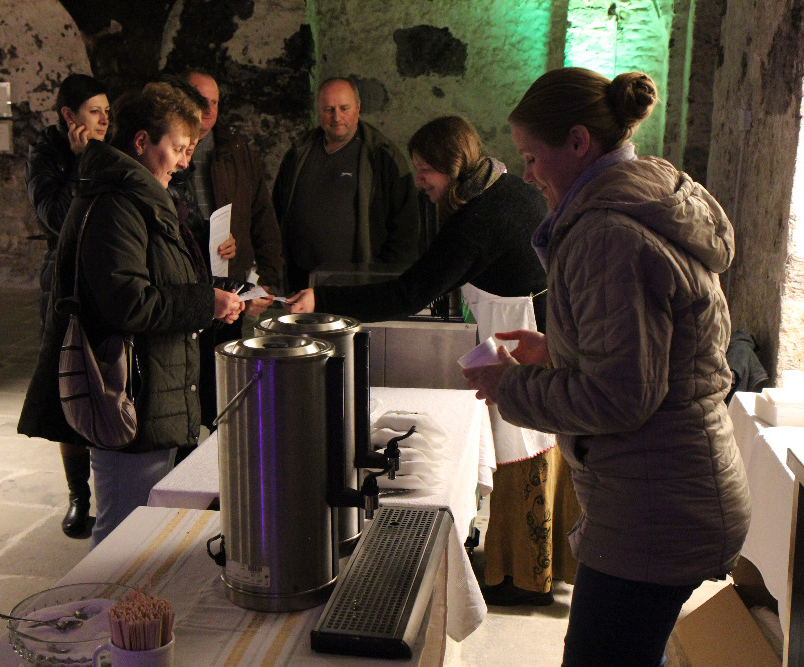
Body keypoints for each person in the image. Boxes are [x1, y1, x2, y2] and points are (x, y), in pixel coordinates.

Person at [464, 68, 751, 666]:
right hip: (670, 489)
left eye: (532, 158)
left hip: (655, 509)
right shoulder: (644, 196)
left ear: (578, 141)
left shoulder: (605, 235)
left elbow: (619, 397)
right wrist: (560, 349)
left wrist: (512, 387)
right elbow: (656, 353)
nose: (527, 175)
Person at [286, 115, 577, 606]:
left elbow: (409, 292)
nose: (419, 180)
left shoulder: (477, 219)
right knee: (539, 442)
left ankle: (520, 576)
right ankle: (543, 563)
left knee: (519, 448)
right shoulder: (503, 184)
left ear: (453, 164)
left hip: (517, 330)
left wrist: (322, 300)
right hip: (537, 324)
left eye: (425, 169)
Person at [18, 82, 244, 548]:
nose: (184, 162)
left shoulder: (143, 197)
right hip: (127, 395)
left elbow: (165, 278)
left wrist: (217, 296)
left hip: (154, 391)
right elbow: (128, 302)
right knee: (121, 536)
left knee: (145, 533)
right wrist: (206, 303)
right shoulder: (115, 204)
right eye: (177, 149)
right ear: (142, 141)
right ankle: (106, 599)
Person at [167, 70, 282, 426]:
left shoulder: (234, 150)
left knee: (222, 379)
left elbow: (261, 215)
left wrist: (266, 276)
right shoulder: (168, 152)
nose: (208, 110)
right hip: (184, 285)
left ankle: (219, 437)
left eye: (215, 102)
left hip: (226, 280)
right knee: (187, 379)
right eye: (200, 101)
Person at [24, 73, 109, 538]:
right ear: (68, 116)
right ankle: (79, 496)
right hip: (63, 281)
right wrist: (80, 162)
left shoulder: (110, 149)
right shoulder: (47, 154)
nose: (103, 120)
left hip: (104, 276)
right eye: (94, 112)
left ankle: (111, 481)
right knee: (68, 386)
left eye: (107, 112)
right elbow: (56, 217)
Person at [272, 77, 421, 292]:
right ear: (319, 110)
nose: (336, 117)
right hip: (301, 283)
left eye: (344, 108)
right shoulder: (299, 153)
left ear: (358, 108)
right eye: (328, 109)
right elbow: (276, 212)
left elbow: (406, 228)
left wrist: (386, 282)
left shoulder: (382, 156)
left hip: (359, 287)